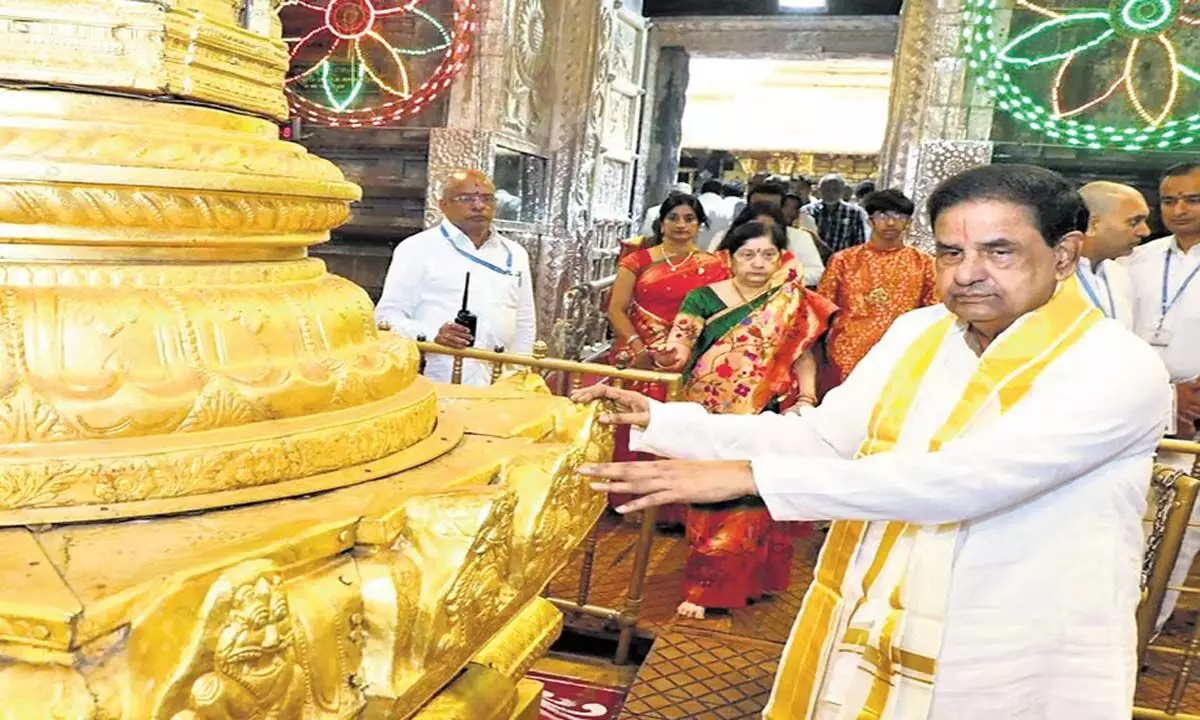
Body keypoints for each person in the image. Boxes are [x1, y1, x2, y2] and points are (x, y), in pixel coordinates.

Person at [576, 164, 1171, 719]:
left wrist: (751, 477)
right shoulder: (922, 333)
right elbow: (823, 438)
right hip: (885, 611)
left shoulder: (1115, 366)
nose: (967, 272)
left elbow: (966, 482)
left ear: (1063, 254)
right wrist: (663, 420)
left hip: (1011, 638)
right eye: (951, 251)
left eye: (999, 251)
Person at [650, 222, 836, 619]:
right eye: (748, 255)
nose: (758, 263)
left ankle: (753, 580)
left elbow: (803, 354)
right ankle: (704, 589)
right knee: (711, 501)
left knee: (756, 496)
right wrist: (668, 356)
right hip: (710, 415)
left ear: (781, 257)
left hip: (765, 411)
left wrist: (806, 396)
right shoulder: (702, 298)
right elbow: (680, 345)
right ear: (728, 258)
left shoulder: (791, 300)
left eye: (768, 255)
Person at [607, 194, 729, 523]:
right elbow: (616, 308)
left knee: (678, 425)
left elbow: (718, 313)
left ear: (699, 224)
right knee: (635, 422)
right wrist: (637, 346)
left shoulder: (715, 265)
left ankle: (672, 507)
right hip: (639, 356)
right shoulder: (639, 260)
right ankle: (630, 498)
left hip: (686, 359)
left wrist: (692, 349)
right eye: (673, 217)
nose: (680, 225)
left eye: (689, 218)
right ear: (661, 222)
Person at [1124, 162, 1200, 632]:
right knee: (1131, 521)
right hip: (1139, 406)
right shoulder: (1138, 259)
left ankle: (1145, 633)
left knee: (1180, 530)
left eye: (1191, 199)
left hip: (1196, 419)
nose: (1178, 209)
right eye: (1168, 200)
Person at [375, 169, 535, 386]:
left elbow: (524, 320)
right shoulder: (416, 248)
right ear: (443, 205)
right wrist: (433, 335)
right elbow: (385, 318)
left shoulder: (515, 253)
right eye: (466, 198)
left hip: (500, 380)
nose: (479, 205)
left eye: (486, 198)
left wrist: (519, 373)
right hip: (437, 377)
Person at [816, 189, 938, 388]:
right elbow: (823, 309)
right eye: (883, 216)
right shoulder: (844, 260)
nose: (890, 223)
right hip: (846, 353)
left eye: (898, 217)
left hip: (901, 353)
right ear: (870, 220)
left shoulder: (924, 263)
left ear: (908, 222)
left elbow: (933, 313)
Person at [1075, 181, 1150, 328]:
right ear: (1093, 224)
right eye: (1134, 222)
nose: (1145, 232)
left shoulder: (1120, 274)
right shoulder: (1048, 276)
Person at [709, 203, 824, 287]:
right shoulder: (723, 236)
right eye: (755, 228)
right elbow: (709, 269)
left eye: (769, 228)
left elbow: (817, 273)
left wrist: (779, 276)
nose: (762, 233)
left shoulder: (798, 237)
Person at [803, 174, 871, 255]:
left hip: (841, 263)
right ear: (819, 190)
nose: (830, 193)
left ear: (843, 191)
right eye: (826, 189)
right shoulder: (807, 211)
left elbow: (859, 243)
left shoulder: (854, 212)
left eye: (835, 190)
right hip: (811, 261)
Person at [697, 178, 734, 250]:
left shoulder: (692, 204)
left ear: (702, 190)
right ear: (721, 192)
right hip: (715, 254)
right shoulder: (728, 207)